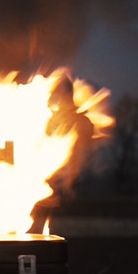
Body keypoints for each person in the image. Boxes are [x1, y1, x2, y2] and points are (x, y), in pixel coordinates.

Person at [28, 74, 94, 234]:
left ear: (67, 95)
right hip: (51, 184)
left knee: (54, 234)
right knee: (38, 233)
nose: (55, 98)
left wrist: (68, 179)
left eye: (58, 93)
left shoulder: (81, 122)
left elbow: (80, 154)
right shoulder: (51, 120)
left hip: (69, 188)